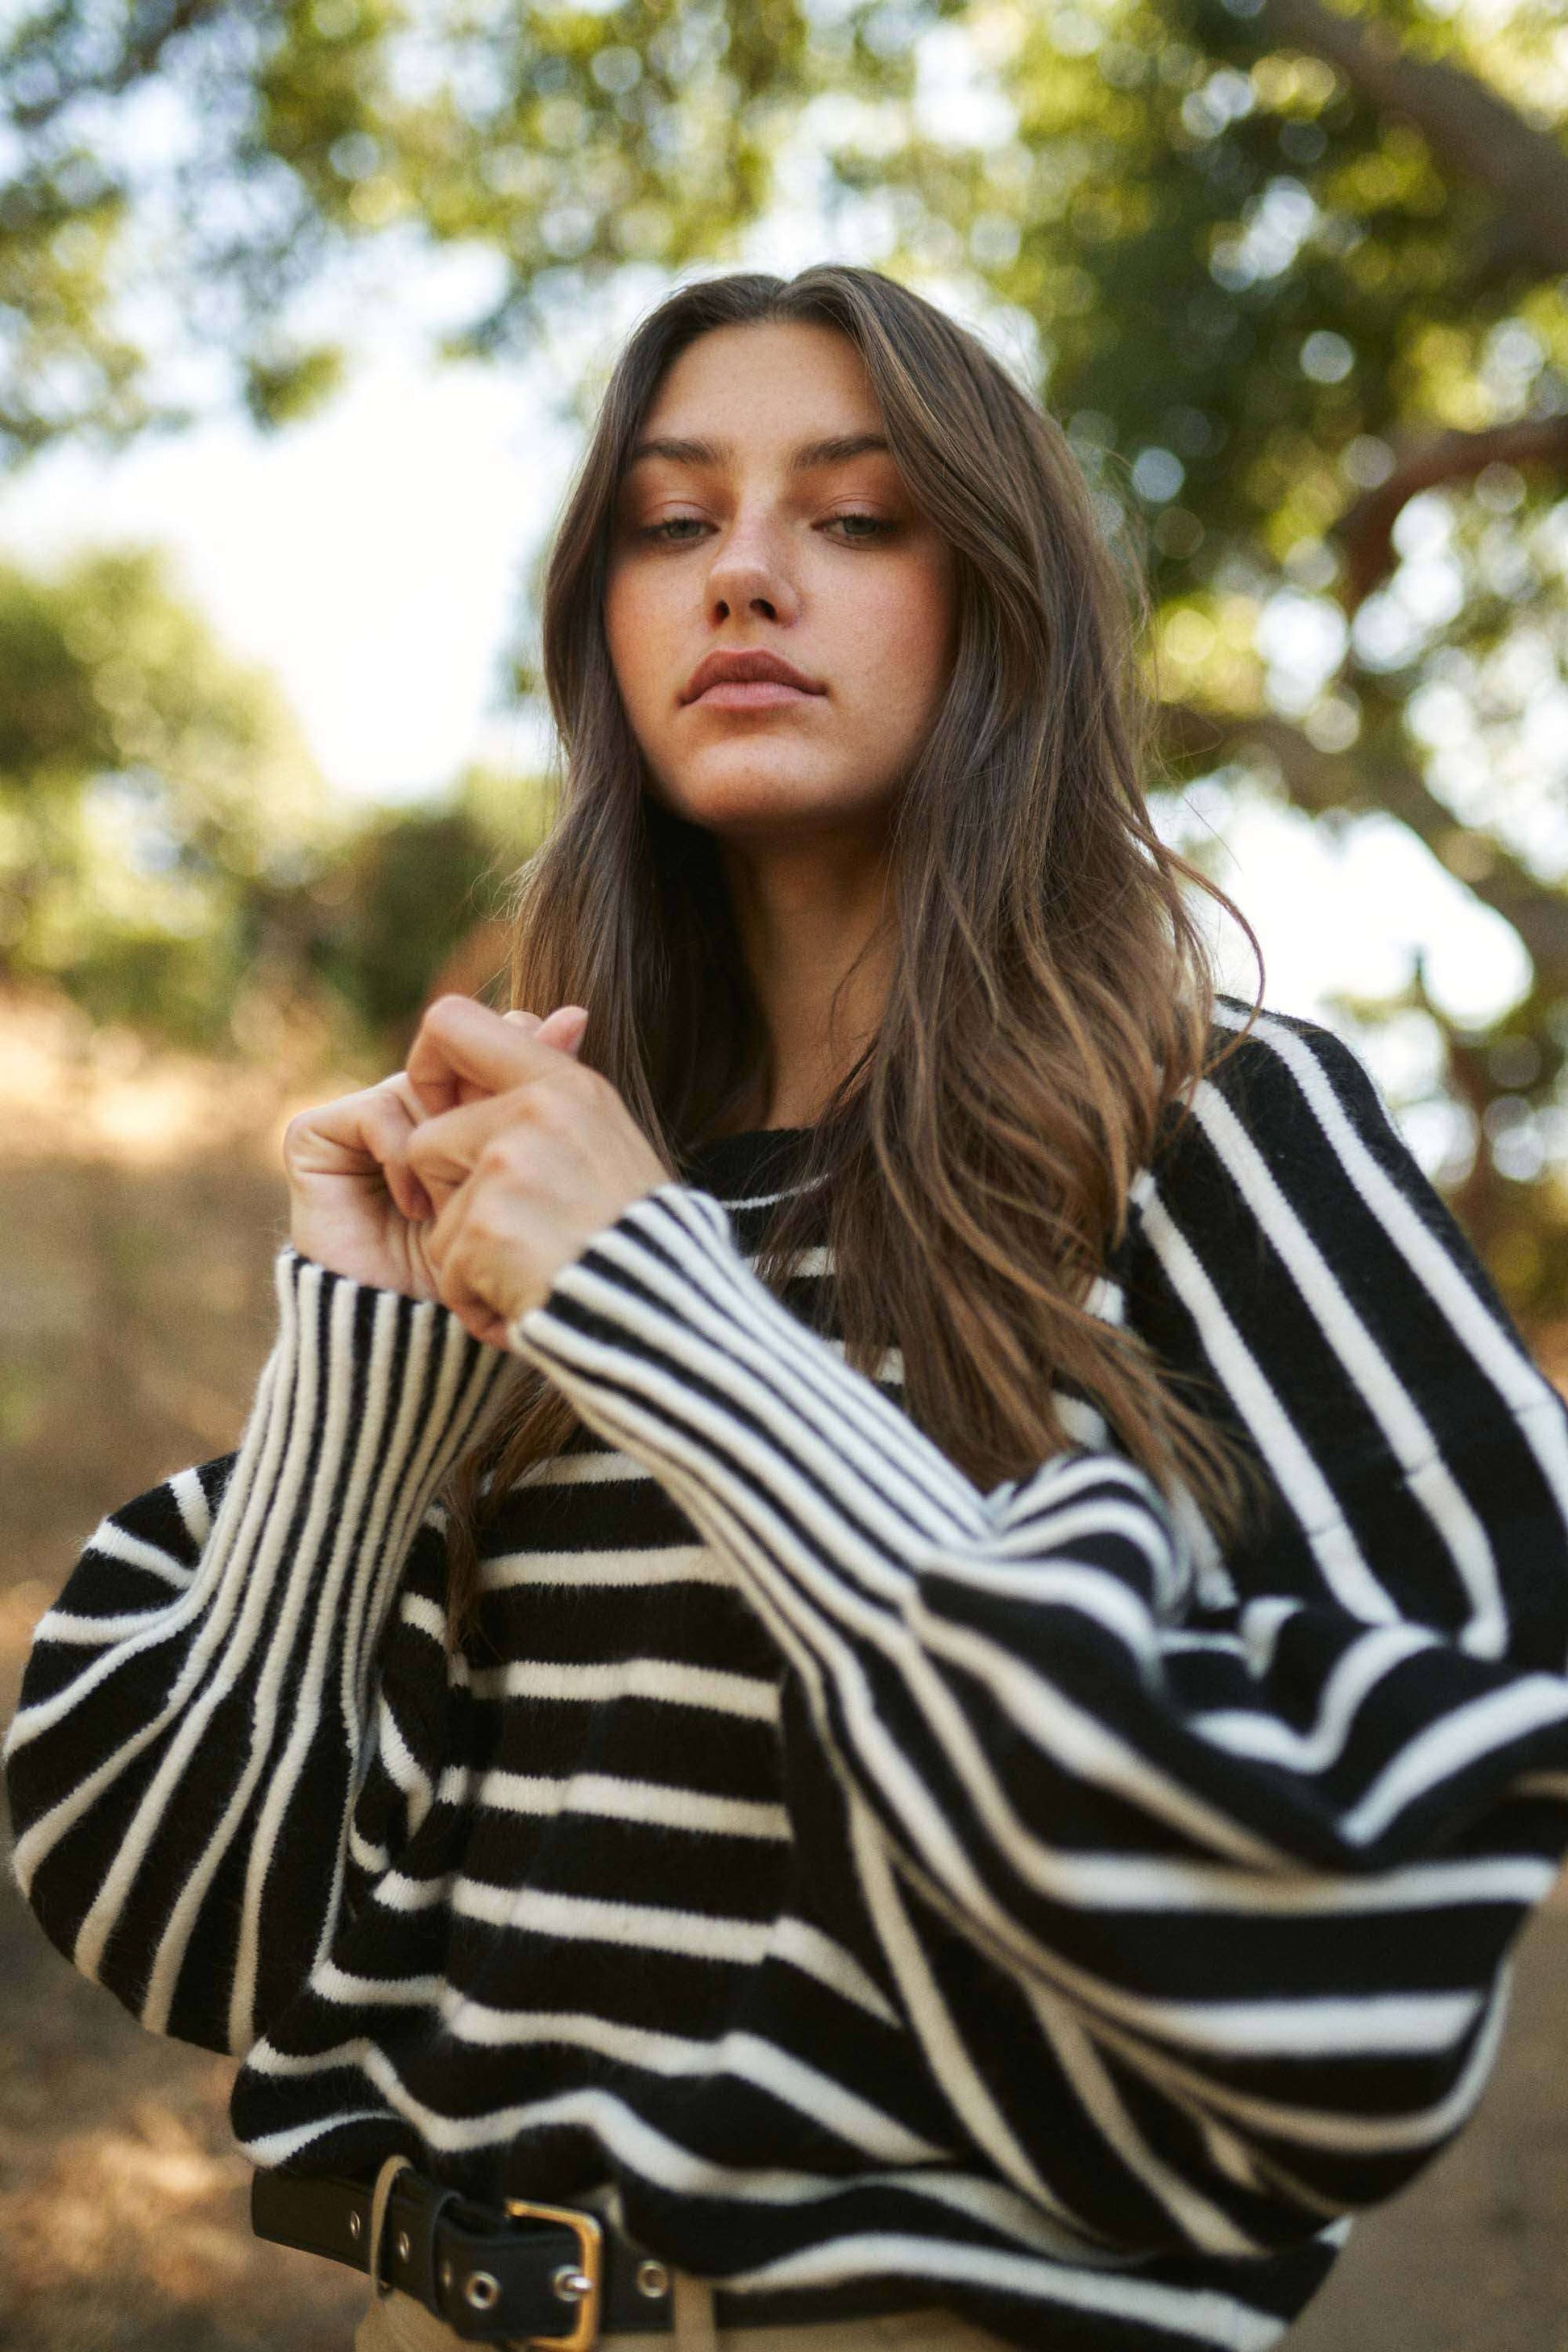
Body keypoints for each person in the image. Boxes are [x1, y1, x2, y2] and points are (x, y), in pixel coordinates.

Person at [8, 263, 1568, 2352]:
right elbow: (183, 1933)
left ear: (995, 604)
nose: (744, 570)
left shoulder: (1214, 1133)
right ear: (605, 629)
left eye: (850, 514)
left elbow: (1360, 1977)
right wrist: (364, 1379)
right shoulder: (525, 1194)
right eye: (671, 520)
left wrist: (677, 1323)